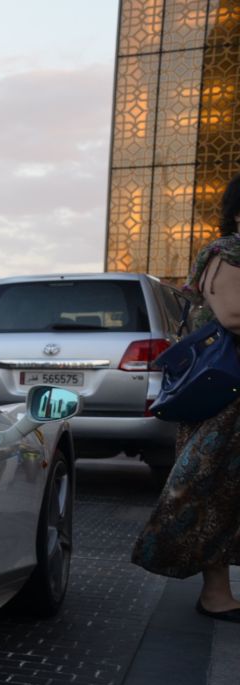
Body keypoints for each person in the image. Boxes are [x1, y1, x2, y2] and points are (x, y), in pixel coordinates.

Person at [133, 174, 240, 620]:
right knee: (210, 491)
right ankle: (215, 594)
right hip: (226, 396)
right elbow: (232, 315)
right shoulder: (227, 253)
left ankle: (217, 593)